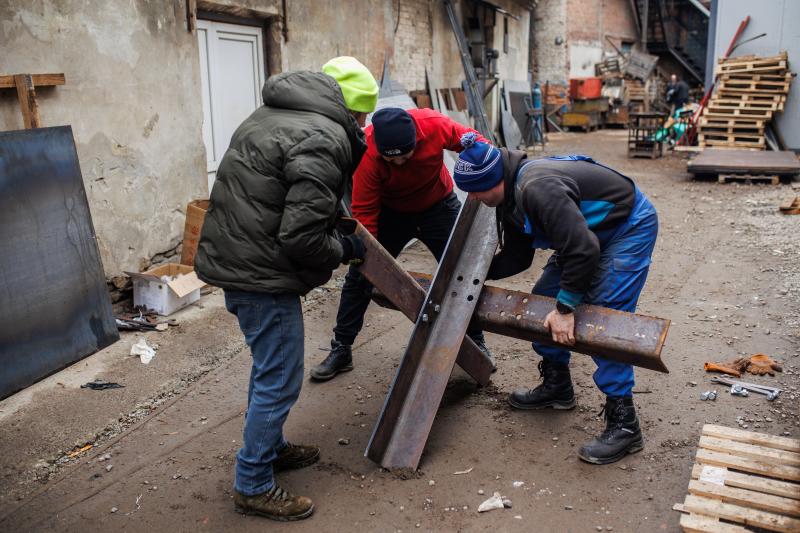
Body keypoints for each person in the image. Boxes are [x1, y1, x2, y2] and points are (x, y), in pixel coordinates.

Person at [194, 56, 378, 521]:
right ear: (354, 110)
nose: (364, 125)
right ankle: (252, 483)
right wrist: (344, 250)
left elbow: (281, 196)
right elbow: (301, 237)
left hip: (239, 258)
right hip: (260, 273)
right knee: (280, 378)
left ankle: (271, 448)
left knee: (269, 366)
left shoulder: (272, 114)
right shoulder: (324, 136)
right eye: (365, 116)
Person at [452, 133, 658, 465]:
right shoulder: (507, 197)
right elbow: (518, 257)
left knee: (603, 319)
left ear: (493, 179)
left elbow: (583, 249)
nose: (473, 197)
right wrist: (471, 276)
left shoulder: (535, 188)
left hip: (626, 227)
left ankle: (625, 423)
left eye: (476, 189)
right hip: (585, 237)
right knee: (542, 300)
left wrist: (566, 309)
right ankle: (557, 384)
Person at [310, 107, 495, 381]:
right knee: (360, 275)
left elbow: (476, 143)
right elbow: (364, 211)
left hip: (438, 206)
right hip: (392, 213)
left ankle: (476, 342)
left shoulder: (433, 125)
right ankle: (342, 348)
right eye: (390, 159)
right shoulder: (367, 152)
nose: (398, 164)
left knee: (462, 272)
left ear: (416, 142)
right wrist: (367, 253)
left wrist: (483, 170)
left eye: (405, 157)